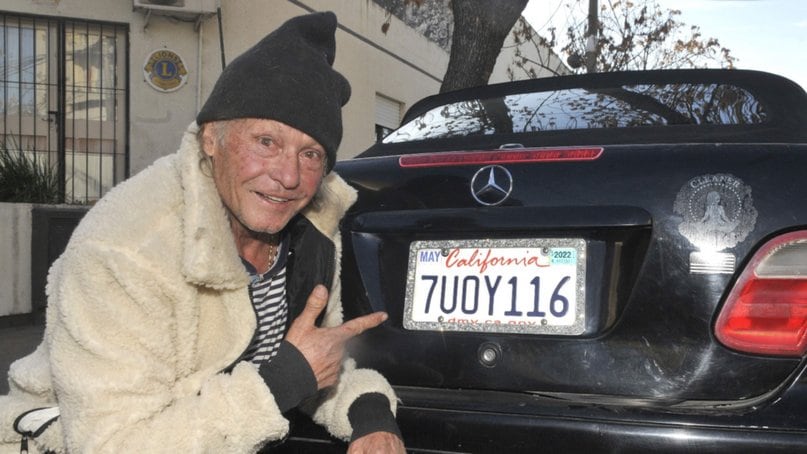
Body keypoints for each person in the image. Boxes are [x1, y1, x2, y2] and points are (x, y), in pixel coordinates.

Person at [0, 11, 405, 453]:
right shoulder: (125, 250)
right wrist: (282, 383)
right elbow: (111, 443)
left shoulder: (308, 233)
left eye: (310, 154)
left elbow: (312, 360)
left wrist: (370, 413)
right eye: (266, 142)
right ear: (211, 139)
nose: (289, 176)